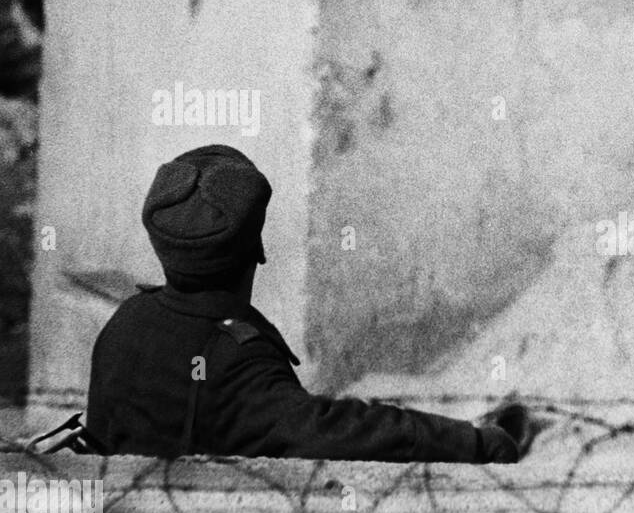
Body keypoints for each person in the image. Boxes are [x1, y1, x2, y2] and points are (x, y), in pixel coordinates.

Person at [85, 144, 525, 463]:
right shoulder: (233, 359)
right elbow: (335, 431)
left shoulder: (126, 322)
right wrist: (475, 442)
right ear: (256, 247)